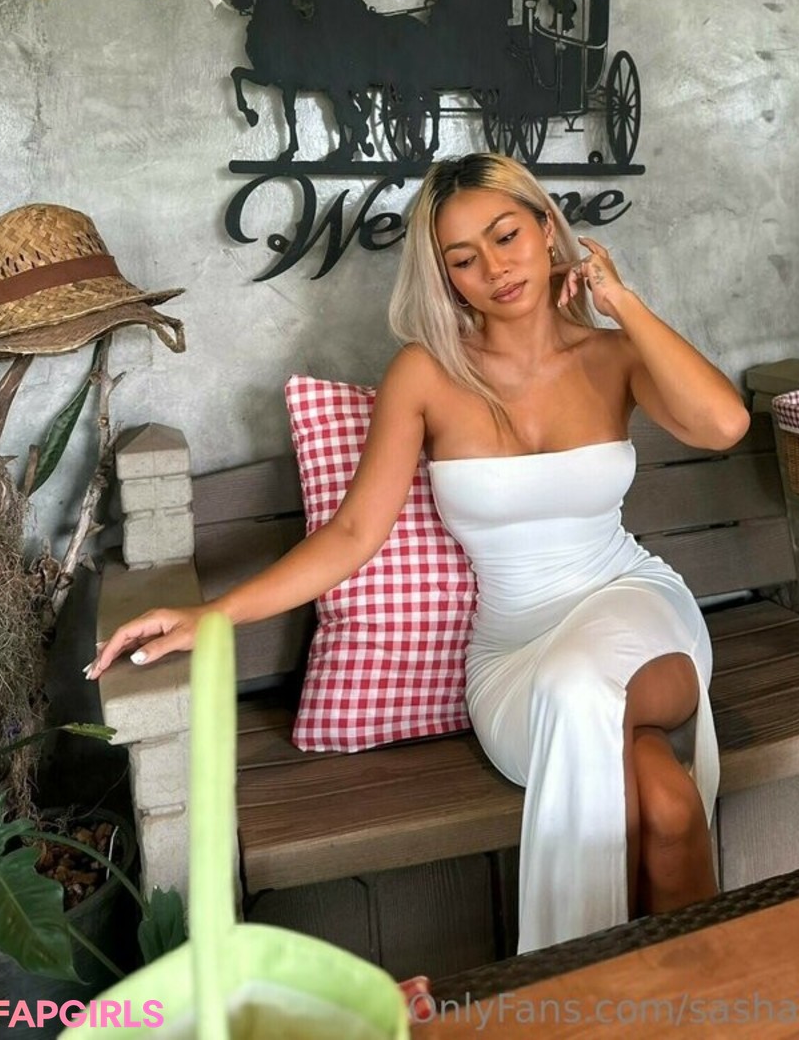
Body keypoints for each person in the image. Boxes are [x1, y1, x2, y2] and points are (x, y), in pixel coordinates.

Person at [88, 153, 750, 952]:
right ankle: (688, 992)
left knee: (582, 686)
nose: (494, 268)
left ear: (547, 230)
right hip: (513, 661)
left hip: (635, 613)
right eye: (463, 258)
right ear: (445, 277)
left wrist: (623, 302)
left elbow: (725, 425)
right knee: (667, 803)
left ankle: (575, 989)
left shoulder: (615, 355)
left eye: (506, 236)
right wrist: (214, 616)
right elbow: (352, 535)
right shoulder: (426, 374)